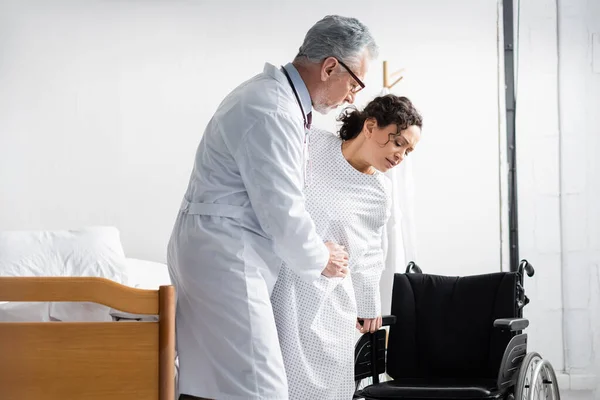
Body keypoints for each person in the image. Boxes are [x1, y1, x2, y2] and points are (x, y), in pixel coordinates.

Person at [167, 15, 379, 400]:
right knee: (262, 389)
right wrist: (323, 257)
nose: (353, 97)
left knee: (209, 387)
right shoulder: (273, 109)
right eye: (354, 84)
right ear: (330, 66)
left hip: (213, 251)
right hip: (227, 260)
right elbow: (284, 214)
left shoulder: (275, 99)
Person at [271, 94, 423, 400]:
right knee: (272, 385)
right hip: (280, 287)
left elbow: (368, 256)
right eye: (398, 143)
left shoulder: (380, 192)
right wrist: (315, 248)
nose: (400, 157)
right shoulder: (310, 145)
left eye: (408, 151)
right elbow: (276, 200)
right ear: (370, 126)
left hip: (330, 301)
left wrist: (369, 309)